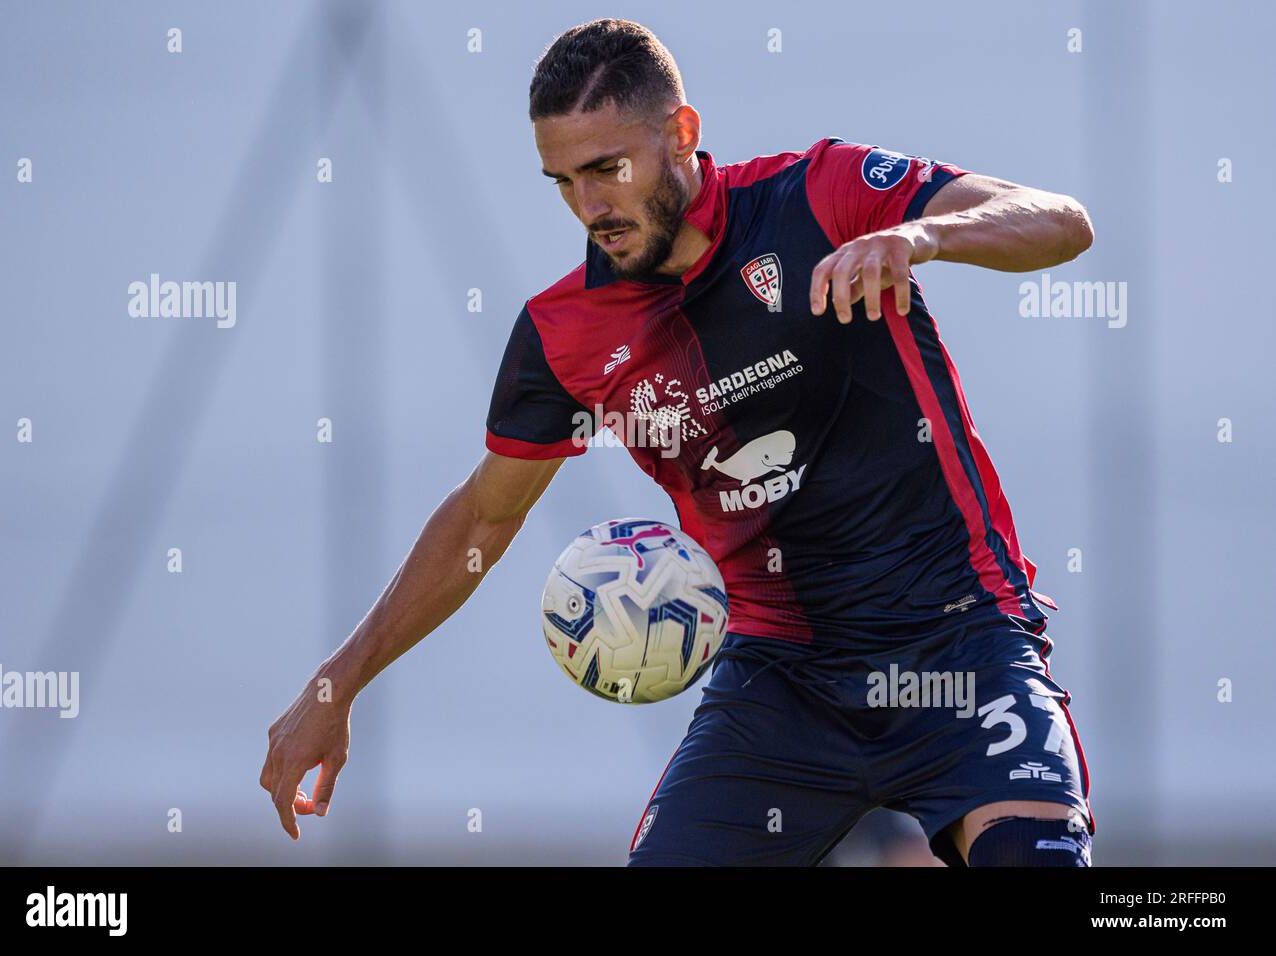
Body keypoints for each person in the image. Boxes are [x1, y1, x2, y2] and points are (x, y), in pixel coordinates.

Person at [261, 17, 1096, 866]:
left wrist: (922, 235)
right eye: (562, 182)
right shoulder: (563, 334)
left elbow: (1062, 223)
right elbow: (482, 518)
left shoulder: (821, 195)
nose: (590, 208)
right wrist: (338, 683)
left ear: (682, 134)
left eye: (606, 171)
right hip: (782, 683)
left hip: (959, 643)